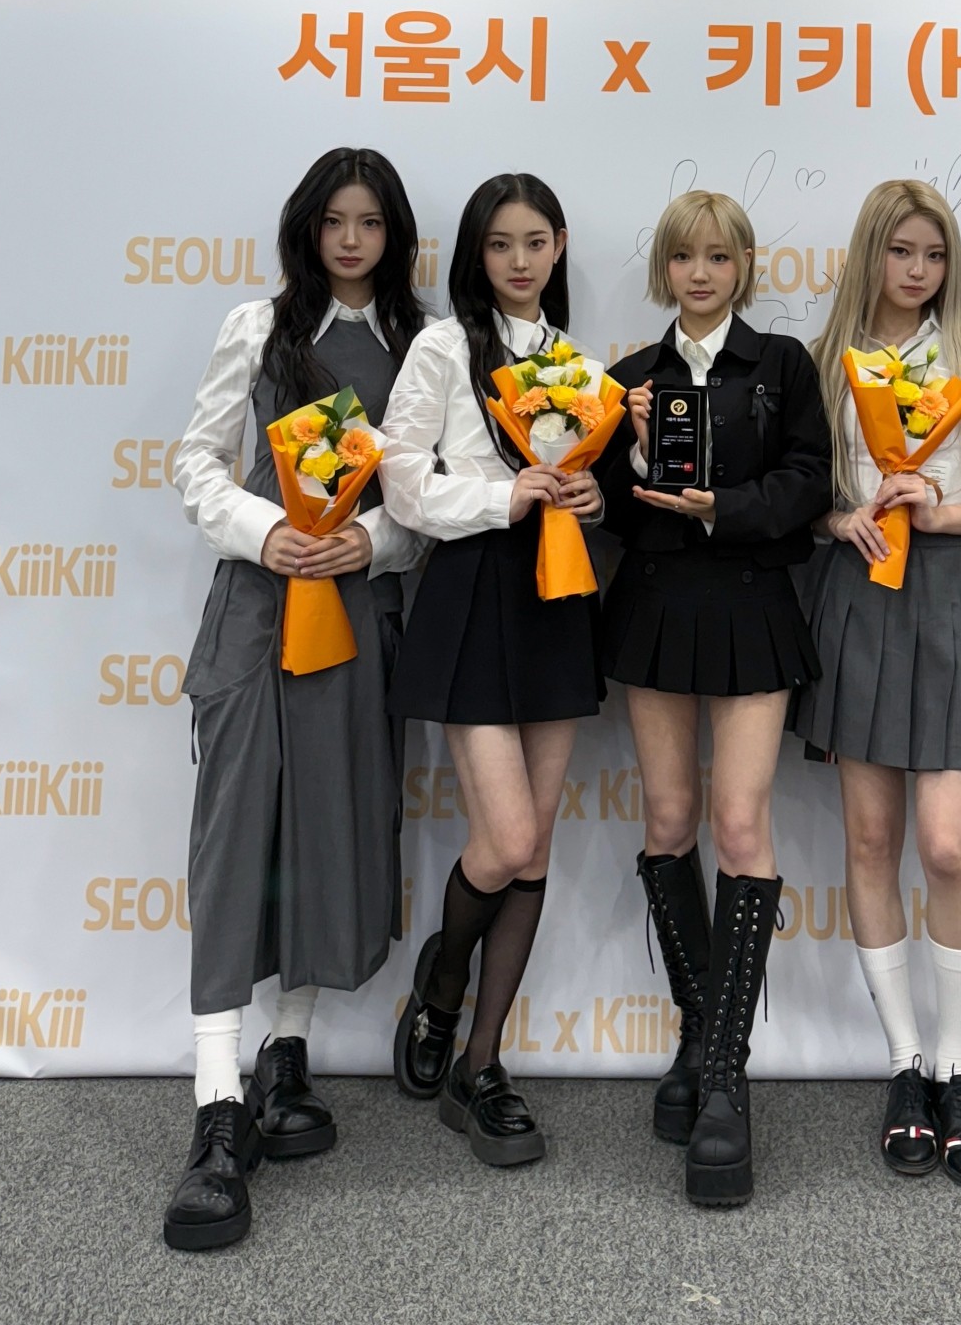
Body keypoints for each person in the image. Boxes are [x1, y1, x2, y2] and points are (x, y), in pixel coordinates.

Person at [165, 148, 426, 1252]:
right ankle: (217, 1104)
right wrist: (263, 527)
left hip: (358, 619)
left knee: (329, 829)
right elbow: (196, 463)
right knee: (234, 844)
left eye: (370, 222)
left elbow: (427, 495)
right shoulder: (256, 327)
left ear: (394, 234)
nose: (352, 240)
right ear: (307, 229)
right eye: (334, 221)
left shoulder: (423, 346)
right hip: (255, 613)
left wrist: (377, 539)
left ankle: (287, 1052)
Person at [793, 179, 961, 1190]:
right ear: (871, 254)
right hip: (860, 595)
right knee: (869, 840)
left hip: (955, 596)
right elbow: (803, 497)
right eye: (901, 251)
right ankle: (905, 1063)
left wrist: (944, 512)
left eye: (935, 254)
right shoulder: (820, 367)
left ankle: (958, 1066)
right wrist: (837, 517)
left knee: (947, 846)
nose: (919, 271)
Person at [596, 190, 831, 1207]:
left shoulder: (782, 363)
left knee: (739, 824)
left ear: (743, 267)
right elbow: (604, 507)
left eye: (720, 257)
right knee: (668, 821)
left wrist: (720, 507)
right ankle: (701, 1035)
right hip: (654, 602)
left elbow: (810, 482)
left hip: (750, 601)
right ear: (664, 268)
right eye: (685, 257)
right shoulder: (624, 378)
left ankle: (724, 1075)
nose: (701, 273)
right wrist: (631, 447)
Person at [380, 173, 603, 1169]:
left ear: (559, 246)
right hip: (472, 588)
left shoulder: (575, 364)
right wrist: (498, 498)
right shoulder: (441, 347)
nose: (519, 260)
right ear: (477, 253)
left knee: (535, 846)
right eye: (500, 243)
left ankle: (481, 1063)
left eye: (535, 241)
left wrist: (588, 500)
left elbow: (587, 479)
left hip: (555, 593)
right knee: (504, 839)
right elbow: (400, 481)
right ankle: (442, 980)